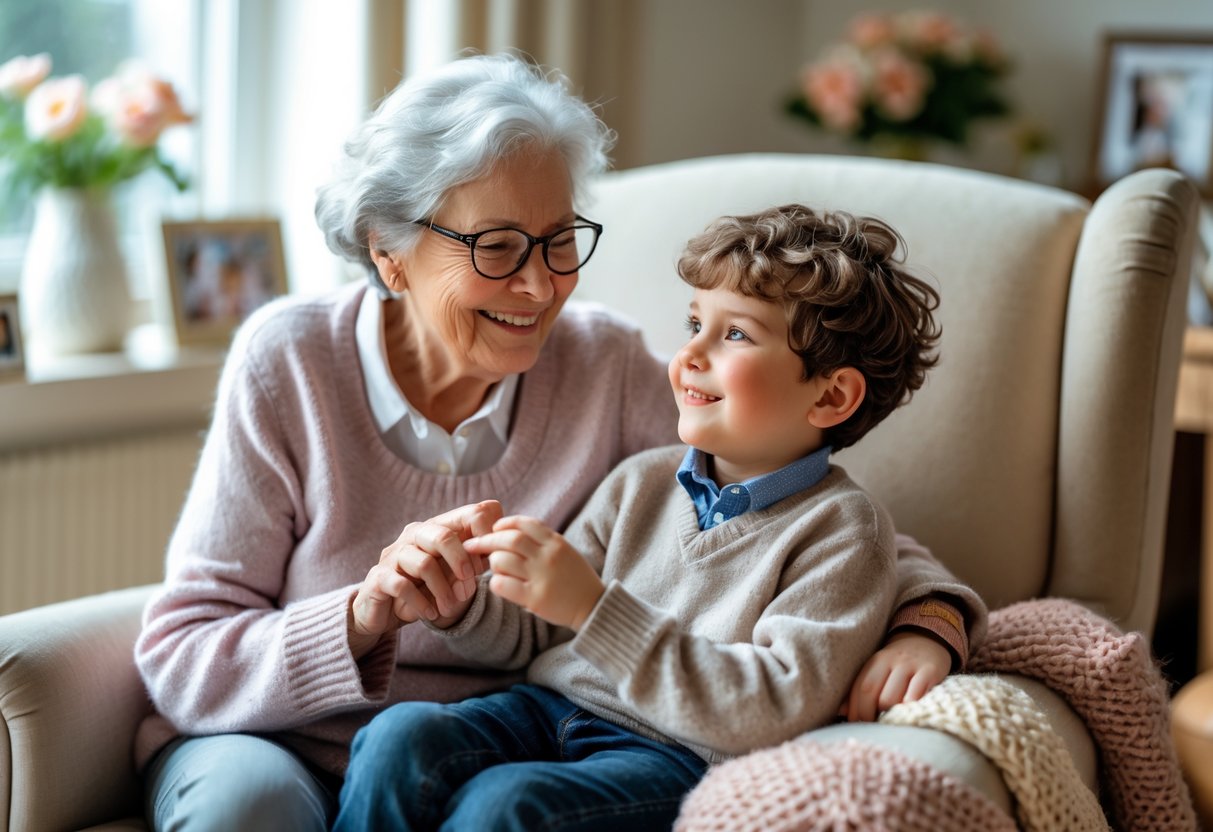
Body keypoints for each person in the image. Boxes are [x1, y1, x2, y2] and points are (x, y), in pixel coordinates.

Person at [133, 53, 983, 831]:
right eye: (498, 248)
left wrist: (929, 621)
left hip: (534, 746)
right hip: (285, 736)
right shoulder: (289, 359)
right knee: (252, 808)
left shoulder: (603, 366)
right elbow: (181, 649)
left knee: (498, 800)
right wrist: (365, 614)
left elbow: (798, 504)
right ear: (388, 253)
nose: (541, 286)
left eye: (558, 240)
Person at [331, 203, 981, 831]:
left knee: (508, 805)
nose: (690, 354)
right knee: (398, 736)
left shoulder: (840, 530)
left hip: (671, 753)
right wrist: (463, 601)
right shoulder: (640, 481)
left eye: (734, 334)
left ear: (831, 395)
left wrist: (593, 610)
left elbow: (769, 708)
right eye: (693, 323)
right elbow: (532, 635)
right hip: (544, 707)